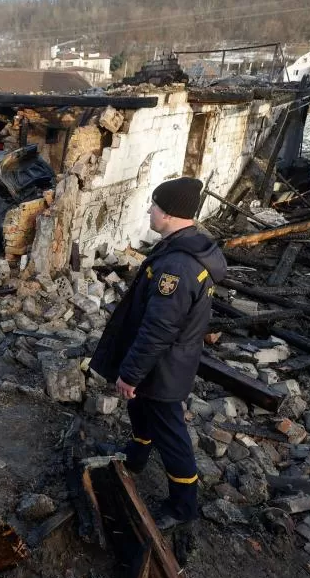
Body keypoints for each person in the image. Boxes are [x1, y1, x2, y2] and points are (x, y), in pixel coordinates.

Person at [90, 177, 227, 530]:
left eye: (153, 206)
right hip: (164, 362)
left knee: (171, 433)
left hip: (162, 367)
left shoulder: (177, 267)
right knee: (140, 407)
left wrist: (130, 373)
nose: (149, 210)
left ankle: (183, 506)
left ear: (167, 214)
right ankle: (135, 458)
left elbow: (158, 330)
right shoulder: (180, 246)